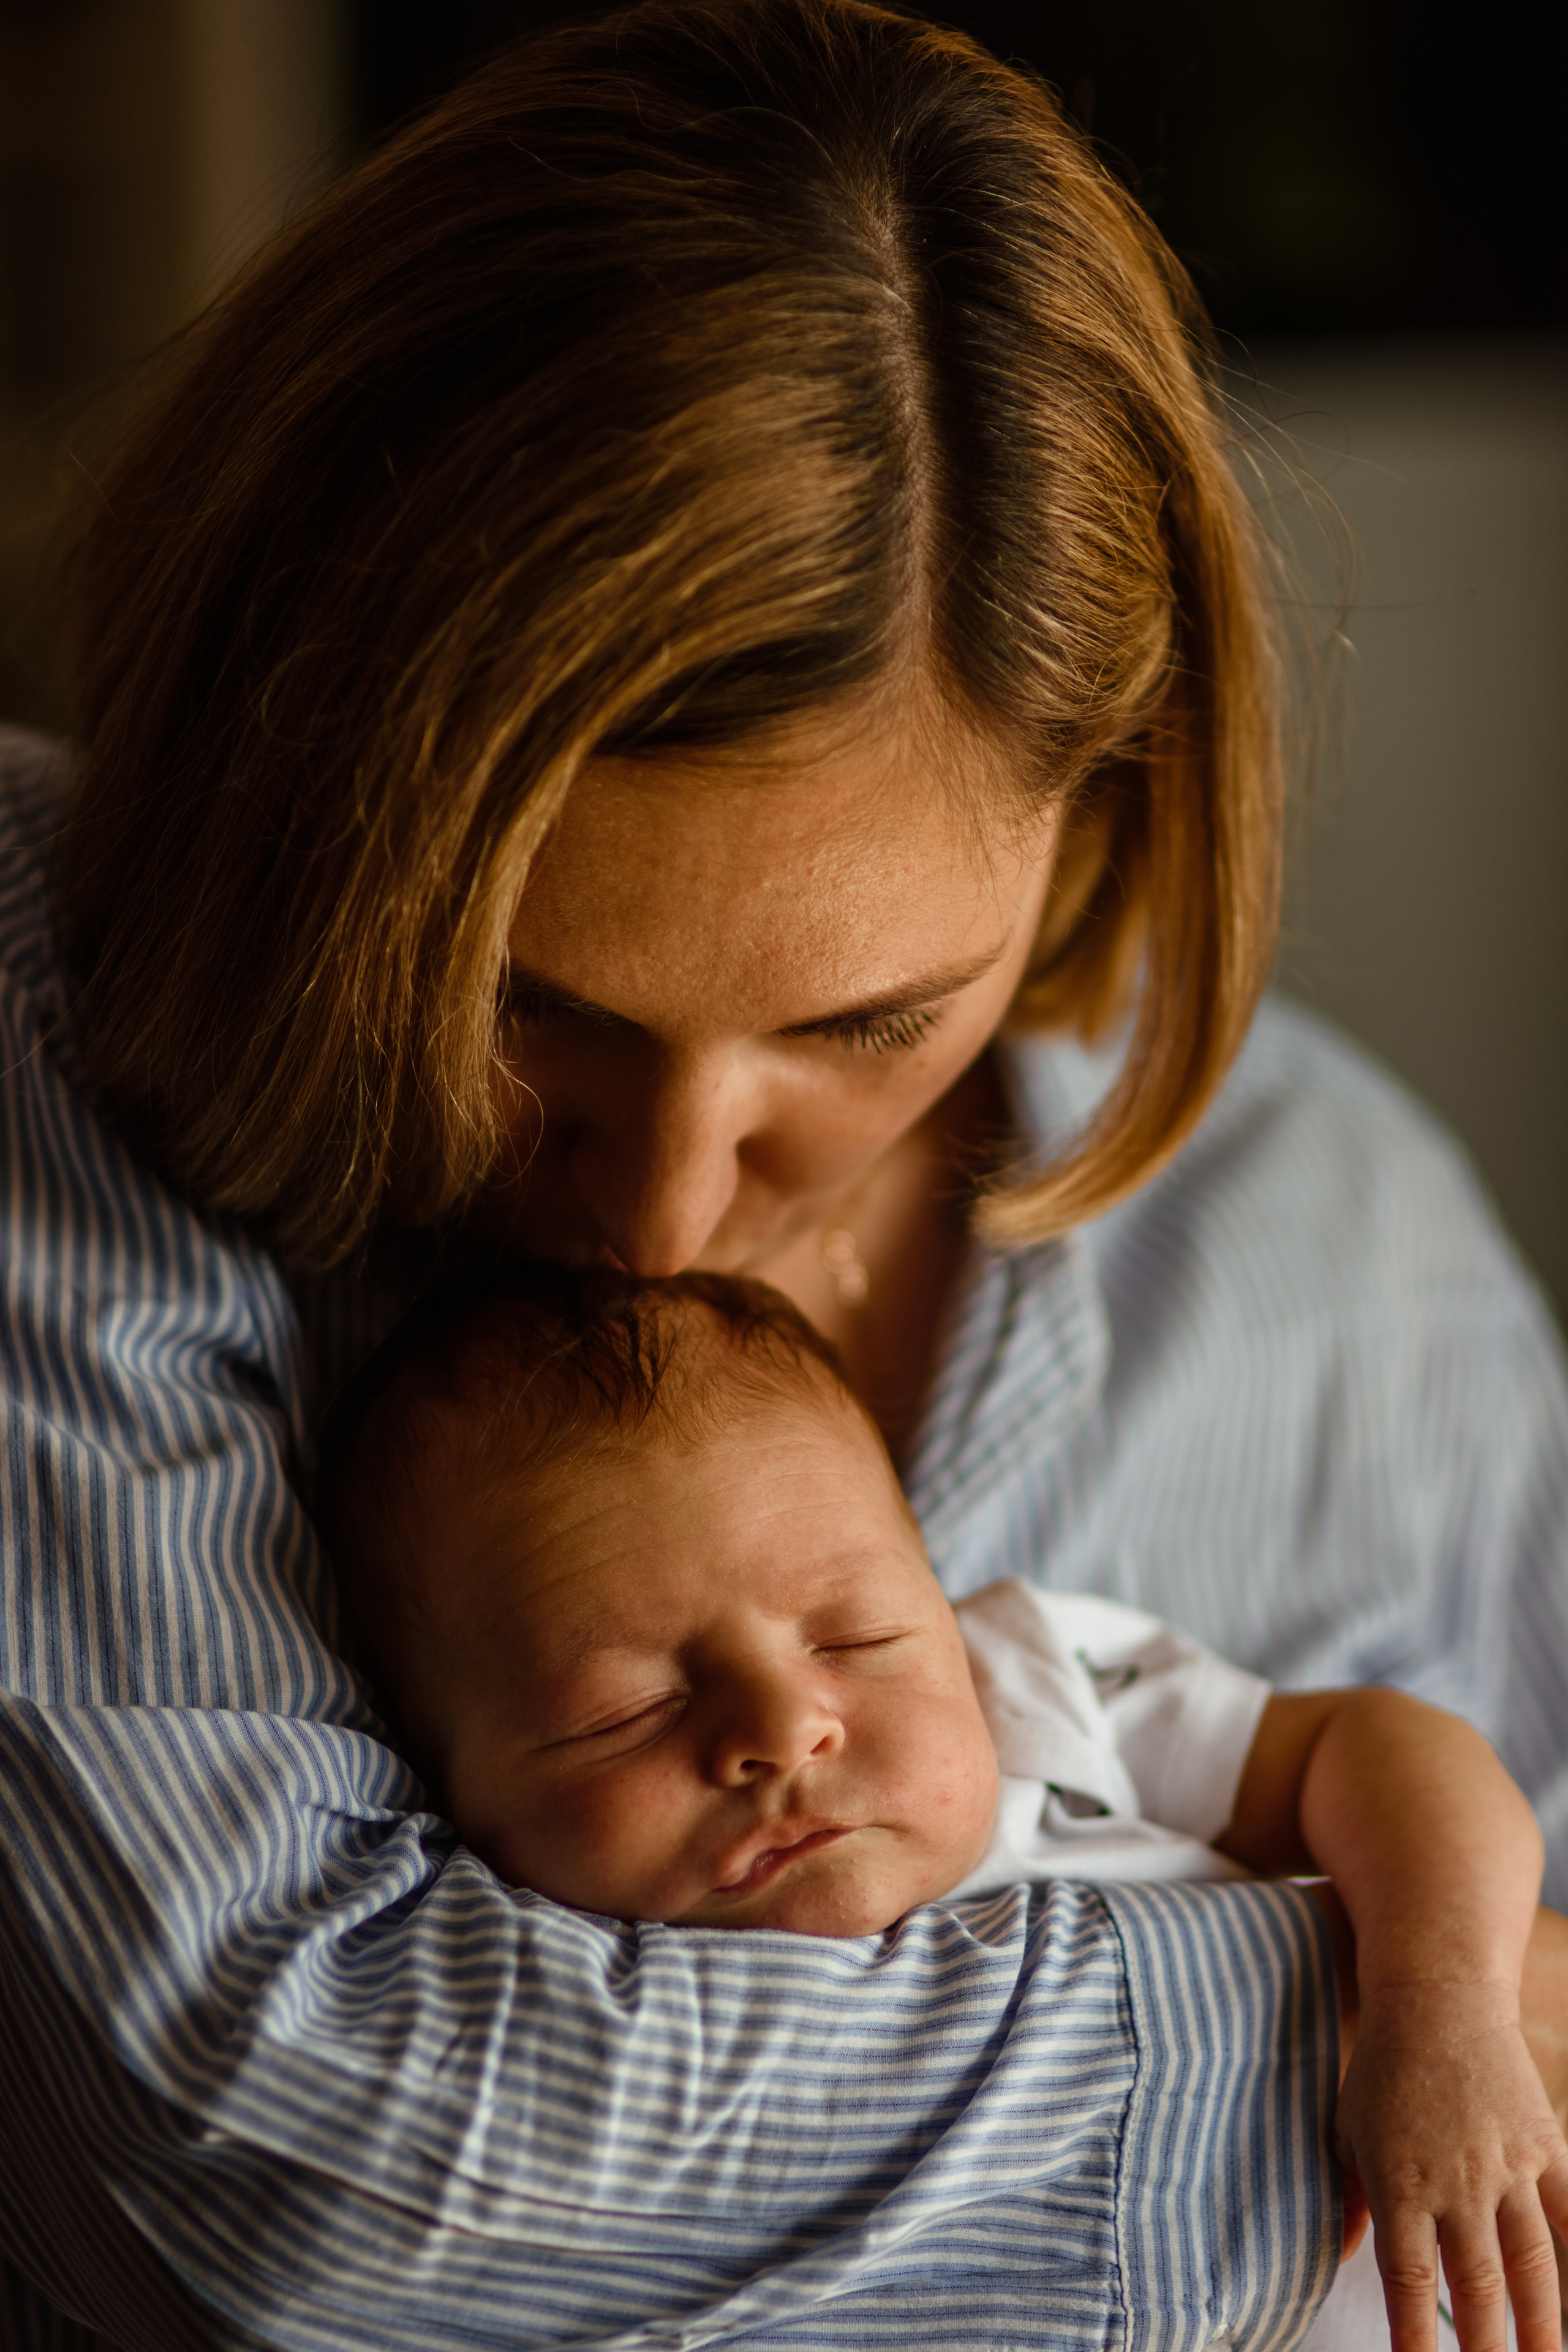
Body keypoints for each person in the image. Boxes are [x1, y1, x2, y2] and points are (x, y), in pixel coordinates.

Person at [1, 0, 1566, 2345]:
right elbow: (299, 2191)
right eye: (522, 997)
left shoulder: (1347, 1249)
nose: (653, 1220)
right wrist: (1391, 2015)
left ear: (1108, 810)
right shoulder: (51, 1019)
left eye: (862, 1029)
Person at [317, 1262, 1568, 2345]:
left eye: (857, 1634)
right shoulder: (527, 2005)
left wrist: (1439, 2007)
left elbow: (1383, 1744)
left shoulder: (1024, 1684)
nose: (781, 1727)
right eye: (623, 1714)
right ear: (453, 1801)